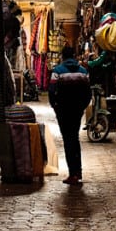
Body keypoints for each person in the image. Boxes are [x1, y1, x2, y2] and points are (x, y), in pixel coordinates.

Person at [48, 45, 92, 185]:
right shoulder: (83, 72)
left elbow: (51, 91)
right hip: (77, 110)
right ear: (74, 56)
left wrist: (55, 106)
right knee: (74, 138)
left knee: (68, 140)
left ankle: (73, 173)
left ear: (62, 56)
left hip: (63, 110)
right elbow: (88, 93)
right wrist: (82, 106)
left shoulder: (57, 71)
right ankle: (77, 171)